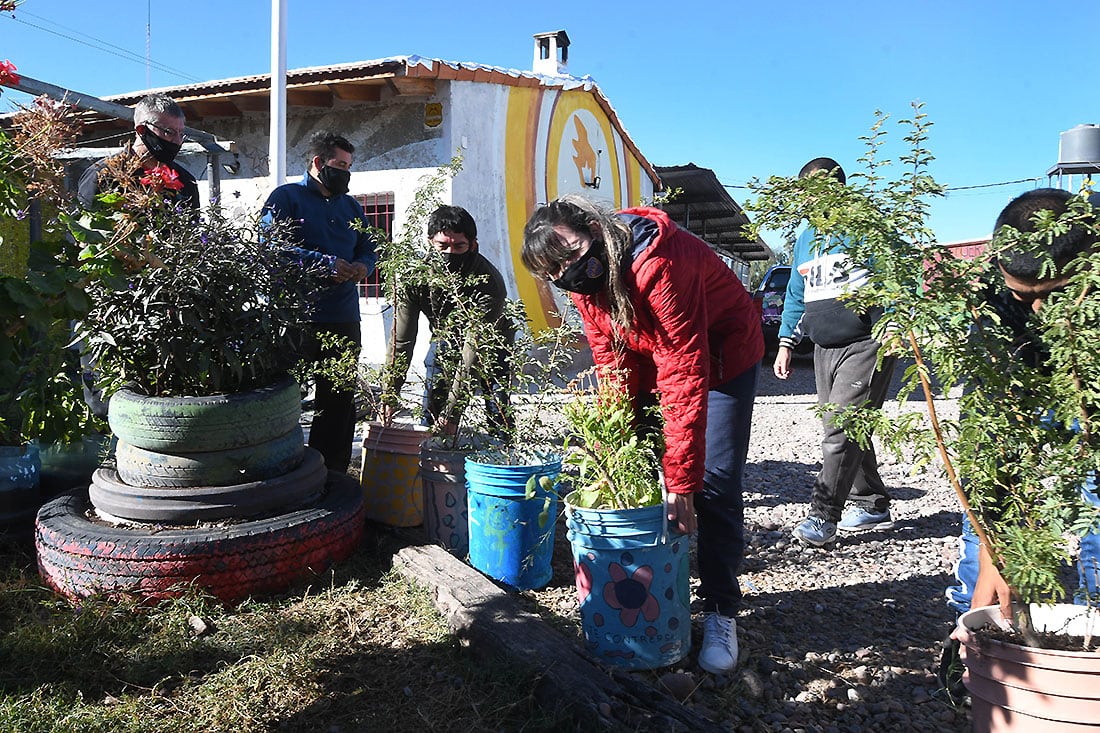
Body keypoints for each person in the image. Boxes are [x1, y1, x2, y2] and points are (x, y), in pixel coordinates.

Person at [521, 194, 763, 674]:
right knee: (645, 466)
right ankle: (660, 580)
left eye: (570, 255)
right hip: (663, 355)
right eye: (554, 271)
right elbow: (610, 359)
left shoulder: (661, 262)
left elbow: (683, 366)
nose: (567, 273)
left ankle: (720, 608)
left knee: (711, 482)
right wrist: (617, 440)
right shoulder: (585, 283)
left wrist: (680, 479)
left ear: (594, 227)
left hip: (722, 356)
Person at [946, 188, 1100, 623]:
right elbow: (991, 425)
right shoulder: (993, 303)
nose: (1037, 308)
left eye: (1054, 294)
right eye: (1023, 295)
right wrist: (997, 547)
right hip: (1027, 383)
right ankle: (973, 632)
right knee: (984, 544)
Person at [773, 157, 897, 547]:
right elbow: (796, 293)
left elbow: (895, 272)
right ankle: (873, 503)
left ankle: (823, 516)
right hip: (825, 347)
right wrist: (785, 343)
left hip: (867, 342)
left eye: (817, 192)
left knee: (841, 428)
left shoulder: (866, 224)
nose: (809, 201)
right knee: (845, 427)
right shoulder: (806, 235)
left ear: (838, 188)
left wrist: (894, 321)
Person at [263, 131, 377, 473]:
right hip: (295, 315)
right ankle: (280, 470)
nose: (346, 172)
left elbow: (369, 248)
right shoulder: (286, 198)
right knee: (284, 396)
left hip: (342, 314)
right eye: (339, 165)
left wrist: (362, 266)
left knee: (339, 401)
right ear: (317, 162)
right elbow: (270, 248)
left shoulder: (351, 206)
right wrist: (325, 263)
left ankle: (333, 474)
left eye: (349, 166)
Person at [382, 204, 513, 437]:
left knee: (495, 394)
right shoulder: (416, 278)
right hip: (445, 334)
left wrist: (452, 413)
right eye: (442, 246)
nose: (450, 253)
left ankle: (504, 450)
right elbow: (401, 341)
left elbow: (472, 351)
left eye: (459, 246)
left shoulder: (489, 282)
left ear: (473, 244)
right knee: (433, 401)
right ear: (430, 242)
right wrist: (389, 394)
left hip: (491, 339)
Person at [77, 93, 199, 209]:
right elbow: (87, 224)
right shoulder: (104, 175)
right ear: (141, 130)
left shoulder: (185, 181)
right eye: (168, 132)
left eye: (181, 133)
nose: (177, 141)